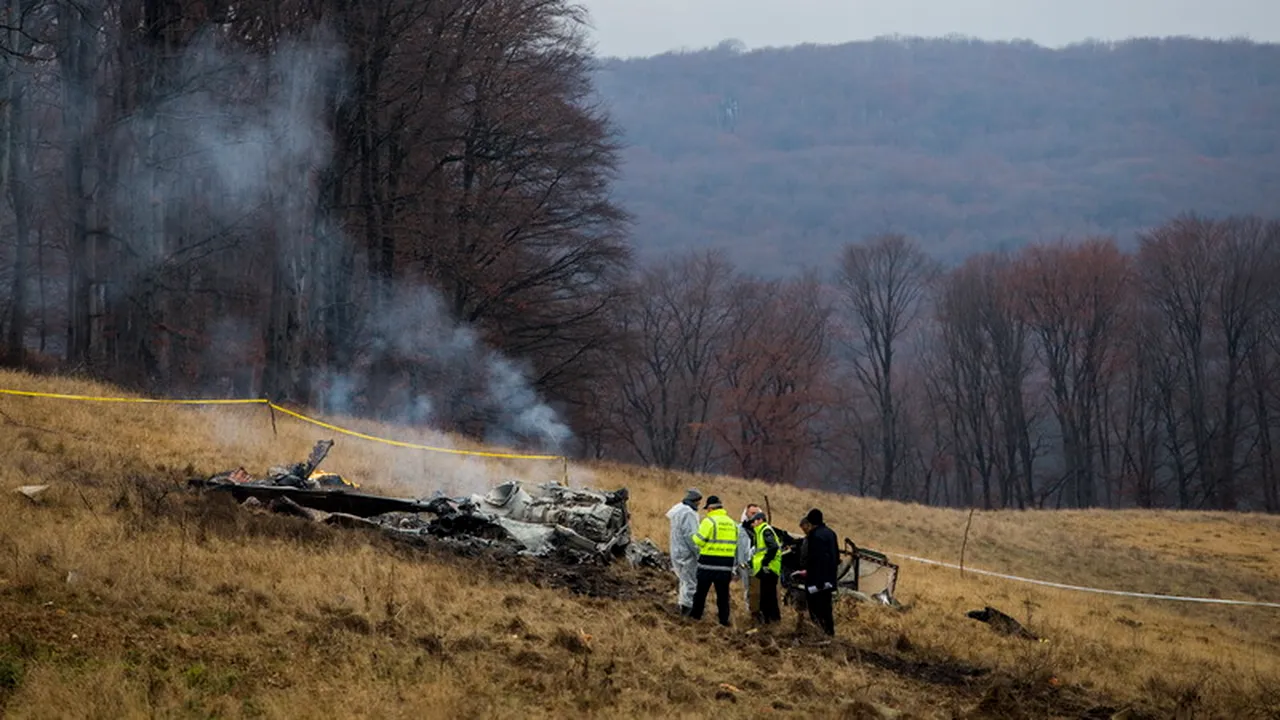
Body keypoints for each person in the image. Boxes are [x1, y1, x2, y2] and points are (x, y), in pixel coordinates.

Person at [690, 495, 739, 626]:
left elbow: (698, 540)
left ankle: (695, 617)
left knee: (701, 594)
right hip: (726, 566)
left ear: (711, 508)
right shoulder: (732, 523)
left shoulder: (709, 521)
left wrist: (694, 536)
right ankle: (724, 621)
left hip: (707, 565)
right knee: (723, 596)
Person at [793, 508, 839, 635]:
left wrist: (808, 574)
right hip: (829, 579)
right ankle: (830, 633)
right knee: (827, 609)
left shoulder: (814, 536)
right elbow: (835, 557)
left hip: (816, 581)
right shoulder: (831, 533)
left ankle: (819, 634)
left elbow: (815, 559)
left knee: (816, 610)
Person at [665, 488, 702, 616]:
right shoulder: (689, 513)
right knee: (690, 581)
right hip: (686, 552)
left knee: (683, 580)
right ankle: (688, 609)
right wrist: (698, 553)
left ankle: (683, 605)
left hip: (676, 549)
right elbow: (691, 536)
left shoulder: (678, 510)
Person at [747, 510, 783, 624]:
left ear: (760, 520)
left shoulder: (765, 530)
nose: (753, 524)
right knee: (767, 595)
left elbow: (773, 547)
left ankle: (770, 620)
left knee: (768, 596)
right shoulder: (760, 532)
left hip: (769, 568)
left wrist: (765, 563)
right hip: (767, 568)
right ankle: (770, 620)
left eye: (754, 521)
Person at [737, 504, 763, 613]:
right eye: (752, 513)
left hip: (758, 564)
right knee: (748, 588)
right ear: (746, 513)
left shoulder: (762, 530)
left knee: (758, 589)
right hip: (743, 564)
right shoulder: (739, 529)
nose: (754, 516)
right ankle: (750, 611)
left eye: (756, 513)